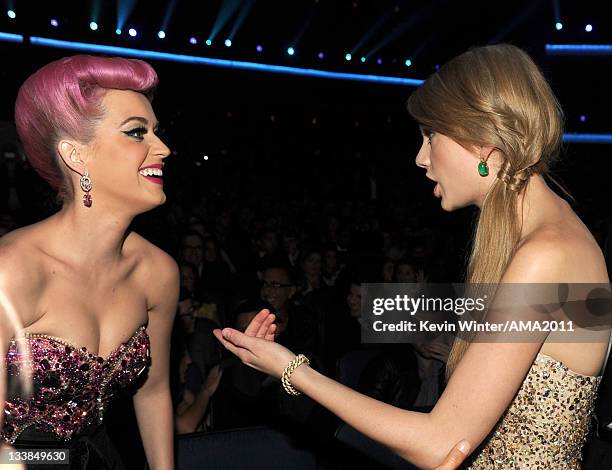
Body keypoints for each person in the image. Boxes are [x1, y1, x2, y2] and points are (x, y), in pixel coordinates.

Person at [213, 44, 611, 468]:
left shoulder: (546, 255)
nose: (420, 158)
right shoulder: (557, 237)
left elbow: (439, 442)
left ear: (481, 143)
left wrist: (293, 369)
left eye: (431, 136)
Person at [0, 55, 178, 469]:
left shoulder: (157, 273)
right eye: (137, 133)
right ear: (76, 156)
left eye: (156, 131)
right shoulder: (13, 271)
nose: (163, 148)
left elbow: (153, 393)